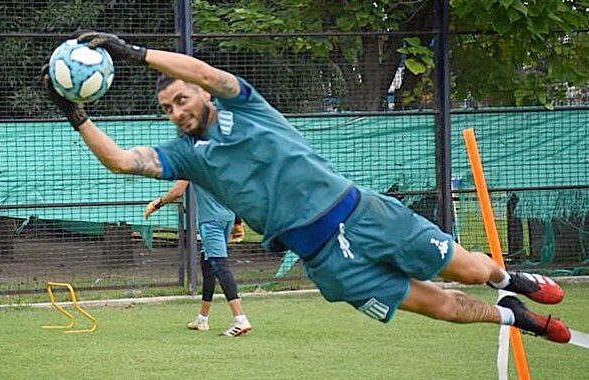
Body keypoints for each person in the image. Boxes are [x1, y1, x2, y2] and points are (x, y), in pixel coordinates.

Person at [41, 31, 571, 344]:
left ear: (200, 94)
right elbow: (120, 161)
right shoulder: (186, 156)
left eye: (182, 100)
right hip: (330, 265)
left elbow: (204, 69)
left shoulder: (245, 106)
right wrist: (75, 115)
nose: (177, 112)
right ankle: (517, 317)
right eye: (167, 108)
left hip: (364, 215)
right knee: (445, 307)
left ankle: (511, 279)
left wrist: (133, 53)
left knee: (473, 269)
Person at [144, 180, 252, 337]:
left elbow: (177, 192)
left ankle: (240, 319)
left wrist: (157, 204)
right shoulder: (217, 158)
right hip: (226, 218)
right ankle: (202, 318)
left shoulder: (190, 161)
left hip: (211, 221)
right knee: (207, 263)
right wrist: (237, 222)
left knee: (219, 266)